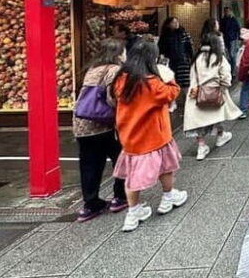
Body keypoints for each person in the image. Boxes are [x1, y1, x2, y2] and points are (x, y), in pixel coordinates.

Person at [112, 40, 188, 232]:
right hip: (155, 135)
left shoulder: (121, 79)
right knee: (166, 168)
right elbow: (171, 93)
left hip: (130, 136)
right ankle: (168, 196)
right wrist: (169, 77)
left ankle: (133, 212)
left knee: (131, 176)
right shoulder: (151, 83)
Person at [74, 38, 128, 222]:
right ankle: (120, 197)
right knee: (120, 158)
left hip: (82, 125)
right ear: (118, 54)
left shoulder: (92, 69)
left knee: (89, 164)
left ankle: (90, 204)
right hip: (103, 124)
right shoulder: (114, 70)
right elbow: (113, 99)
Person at [183, 33, 241, 159]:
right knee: (216, 115)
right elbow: (226, 77)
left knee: (199, 120)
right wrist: (223, 88)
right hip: (215, 92)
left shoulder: (196, 58)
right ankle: (221, 136)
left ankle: (201, 146)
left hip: (198, 93)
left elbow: (192, 78)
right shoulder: (218, 57)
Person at [157, 17, 194, 91]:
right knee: (173, 81)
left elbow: (190, 48)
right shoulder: (164, 36)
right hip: (170, 62)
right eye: (173, 22)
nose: (176, 23)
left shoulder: (184, 34)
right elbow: (161, 50)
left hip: (183, 63)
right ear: (168, 25)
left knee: (185, 84)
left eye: (177, 21)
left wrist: (189, 59)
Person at [219, 6, 241, 74]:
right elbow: (221, 29)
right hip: (225, 39)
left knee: (232, 55)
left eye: (228, 11)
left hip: (232, 39)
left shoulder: (234, 19)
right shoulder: (222, 20)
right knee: (226, 55)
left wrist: (238, 38)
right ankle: (228, 70)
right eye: (225, 11)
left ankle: (233, 71)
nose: (226, 12)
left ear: (230, 12)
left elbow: (238, 28)